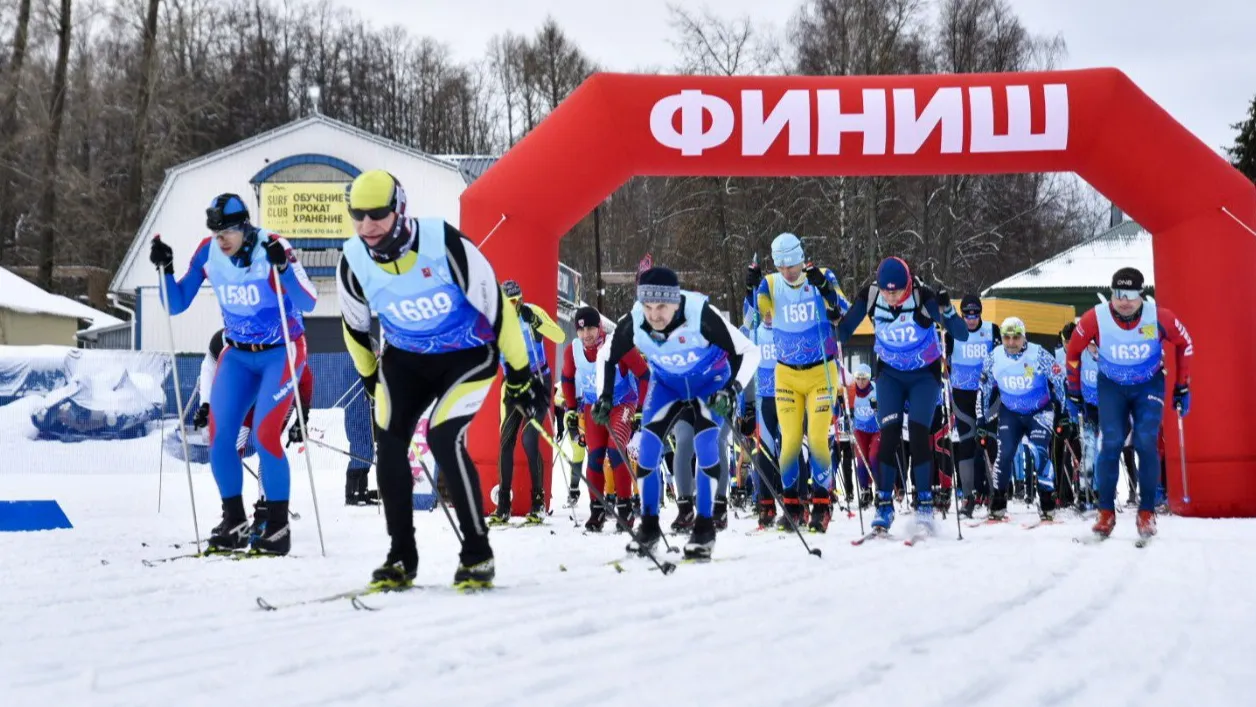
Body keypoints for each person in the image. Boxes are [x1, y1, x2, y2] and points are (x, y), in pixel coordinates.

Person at [337, 169, 543, 590]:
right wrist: (369, 378)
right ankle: (401, 557)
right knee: (389, 442)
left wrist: (521, 375)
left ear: (400, 209)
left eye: (377, 214)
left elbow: (499, 311)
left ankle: (477, 553)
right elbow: (355, 329)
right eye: (357, 215)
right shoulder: (353, 260)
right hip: (406, 360)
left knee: (443, 435)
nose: (367, 225)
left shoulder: (444, 244)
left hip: (467, 354)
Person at [149, 193, 316, 555]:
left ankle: (276, 526)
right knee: (219, 436)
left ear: (244, 227)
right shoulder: (208, 252)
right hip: (238, 355)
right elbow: (175, 304)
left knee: (266, 433)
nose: (221, 239)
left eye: (227, 231)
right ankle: (234, 520)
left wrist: (284, 269)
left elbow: (309, 301)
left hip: (281, 352)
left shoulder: (273, 247)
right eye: (216, 231)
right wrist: (164, 270)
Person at [597, 266, 759, 559]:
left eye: (661, 307)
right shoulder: (635, 319)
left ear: (676, 301)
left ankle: (705, 528)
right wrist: (604, 396)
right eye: (648, 306)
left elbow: (749, 351)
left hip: (709, 382)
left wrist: (733, 390)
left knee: (707, 443)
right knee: (647, 448)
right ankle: (648, 527)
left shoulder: (700, 314)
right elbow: (606, 355)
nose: (654, 315)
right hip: (667, 384)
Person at [835, 257, 968, 538]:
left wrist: (947, 310)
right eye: (887, 291)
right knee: (889, 433)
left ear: (908, 284)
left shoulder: (923, 296)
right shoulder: (872, 295)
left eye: (897, 291)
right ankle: (884, 505)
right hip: (891, 375)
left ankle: (924, 505)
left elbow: (960, 334)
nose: (892, 297)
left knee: (919, 434)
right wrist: (832, 321)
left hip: (923, 374)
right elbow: (844, 330)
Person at [1065, 267, 1192, 539]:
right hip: (1112, 386)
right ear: (1111, 294)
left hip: (1148, 385)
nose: (1124, 301)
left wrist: (1183, 384)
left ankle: (1147, 511)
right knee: (1110, 442)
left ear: (1141, 295)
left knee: (1146, 441)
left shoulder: (1159, 316)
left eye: (1131, 294)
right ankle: (1106, 512)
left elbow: (1185, 343)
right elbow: (1074, 351)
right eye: (1119, 294)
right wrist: (1073, 390)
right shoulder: (1094, 318)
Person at [754, 232, 849, 533]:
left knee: (818, 438)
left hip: (820, 371)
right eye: (781, 267)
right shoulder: (770, 282)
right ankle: (793, 506)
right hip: (787, 374)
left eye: (791, 266)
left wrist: (825, 289)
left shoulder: (820, 276)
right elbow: (761, 301)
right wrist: (765, 309)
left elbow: (841, 311)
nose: (787, 273)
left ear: (800, 258)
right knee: (790, 443)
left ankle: (822, 503)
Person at [560, 305, 648, 532]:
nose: (586, 334)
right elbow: (567, 379)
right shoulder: (573, 350)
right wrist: (571, 409)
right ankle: (597, 509)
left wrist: (639, 409)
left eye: (590, 327)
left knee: (616, 450)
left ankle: (625, 508)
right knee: (596, 456)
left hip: (622, 403)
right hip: (594, 406)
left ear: (599, 327)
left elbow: (644, 374)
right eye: (581, 330)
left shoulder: (617, 344)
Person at [978, 317, 1069, 522]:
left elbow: (1059, 380)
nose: (1011, 342)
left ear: (1023, 337)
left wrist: (1063, 413)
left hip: (1039, 412)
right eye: (1007, 338)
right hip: (1011, 412)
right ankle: (999, 500)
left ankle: (1046, 499)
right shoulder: (994, 357)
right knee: (1005, 453)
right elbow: (983, 389)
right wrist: (980, 420)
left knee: (1039, 450)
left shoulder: (1038, 354)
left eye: (1016, 338)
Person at [492, 279, 566, 524]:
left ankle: (538, 502)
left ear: (520, 300)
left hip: (538, 380)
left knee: (530, 438)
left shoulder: (531, 312)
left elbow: (559, 335)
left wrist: (538, 324)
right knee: (506, 440)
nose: (511, 306)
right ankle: (503, 505)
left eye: (515, 301)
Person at [947, 295, 999, 518]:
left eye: (975, 314)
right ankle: (968, 496)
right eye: (966, 314)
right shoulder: (952, 333)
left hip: (988, 395)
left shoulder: (992, 330)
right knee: (966, 442)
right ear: (961, 314)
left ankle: (993, 492)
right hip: (962, 395)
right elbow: (942, 359)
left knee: (989, 441)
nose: (970, 319)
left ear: (980, 313)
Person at [847, 363, 878, 509]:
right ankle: (865, 490)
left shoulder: (875, 390)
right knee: (861, 460)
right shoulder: (852, 389)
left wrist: (879, 407)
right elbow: (841, 402)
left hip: (876, 429)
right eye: (858, 378)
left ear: (869, 378)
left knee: (873, 457)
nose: (860, 381)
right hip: (860, 429)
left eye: (864, 378)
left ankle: (879, 489)